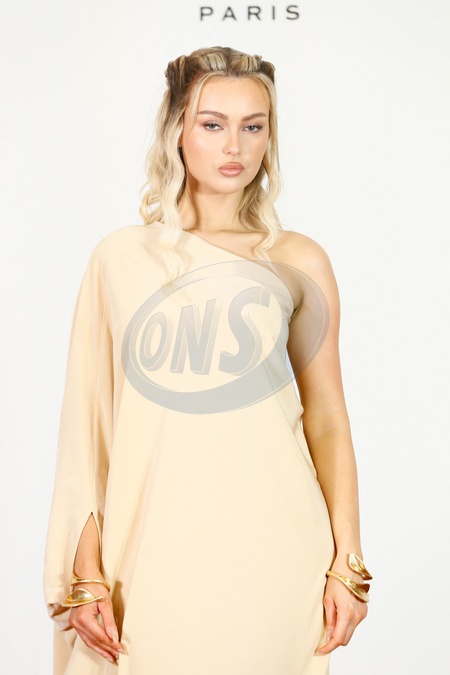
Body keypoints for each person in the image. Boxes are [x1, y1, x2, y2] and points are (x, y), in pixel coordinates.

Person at [44, 46, 370, 675]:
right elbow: (88, 430)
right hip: (149, 548)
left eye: (254, 126)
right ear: (177, 130)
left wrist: (346, 562)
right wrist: (86, 573)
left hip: (277, 551)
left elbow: (328, 419)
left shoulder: (299, 260)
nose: (236, 146)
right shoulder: (120, 258)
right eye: (213, 124)